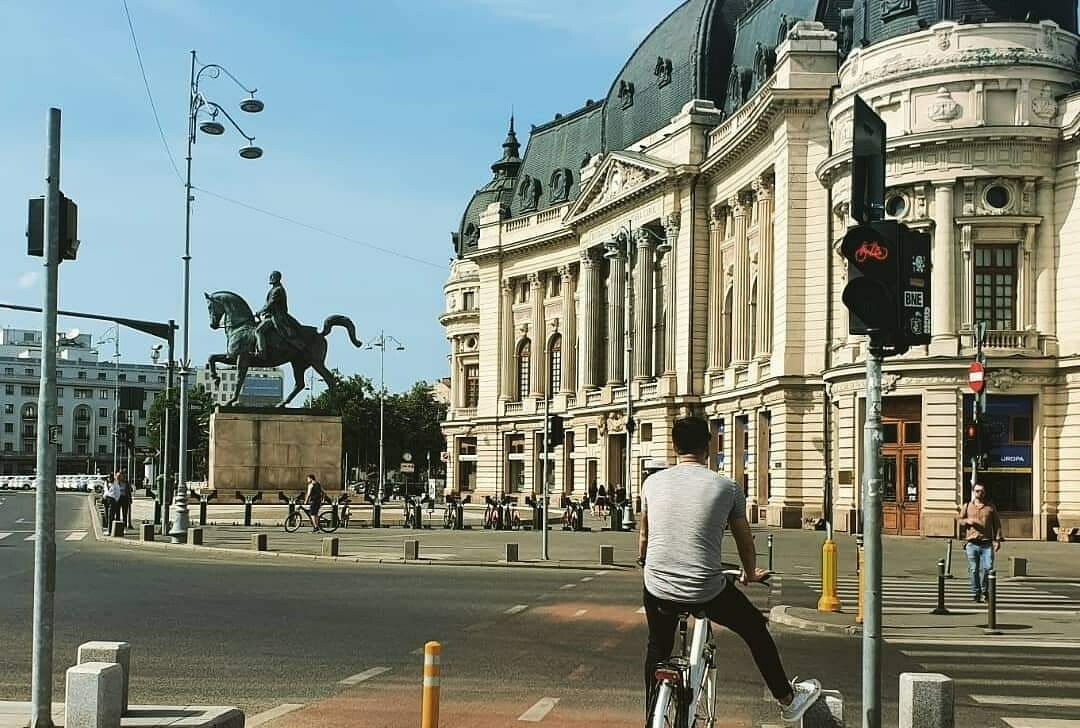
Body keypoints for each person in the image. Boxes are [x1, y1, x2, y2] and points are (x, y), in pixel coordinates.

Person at [639, 416, 821, 724]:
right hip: (705, 589)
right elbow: (745, 542)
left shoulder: (651, 482)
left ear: (674, 446)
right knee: (754, 629)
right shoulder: (727, 487)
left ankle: (651, 715)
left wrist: (645, 561)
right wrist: (749, 573)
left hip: (657, 584)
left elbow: (644, 536)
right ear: (708, 447)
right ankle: (787, 700)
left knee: (658, 644)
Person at [957, 481, 1004, 603]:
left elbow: (997, 524)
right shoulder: (967, 506)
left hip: (987, 543)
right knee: (974, 569)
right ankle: (975, 592)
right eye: (977, 491)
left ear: (985, 492)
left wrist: (997, 540)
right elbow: (959, 520)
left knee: (988, 568)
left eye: (982, 491)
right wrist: (968, 520)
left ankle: (985, 591)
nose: (980, 493)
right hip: (972, 543)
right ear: (973, 492)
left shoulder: (990, 507)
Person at [255, 270, 303, 356]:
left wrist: (259, 312)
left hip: (277, 316)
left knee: (259, 331)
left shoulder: (278, 290)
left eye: (272, 276)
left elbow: (270, 304)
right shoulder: (274, 289)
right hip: (271, 315)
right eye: (271, 276)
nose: (270, 278)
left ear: (277, 278)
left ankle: (262, 351)